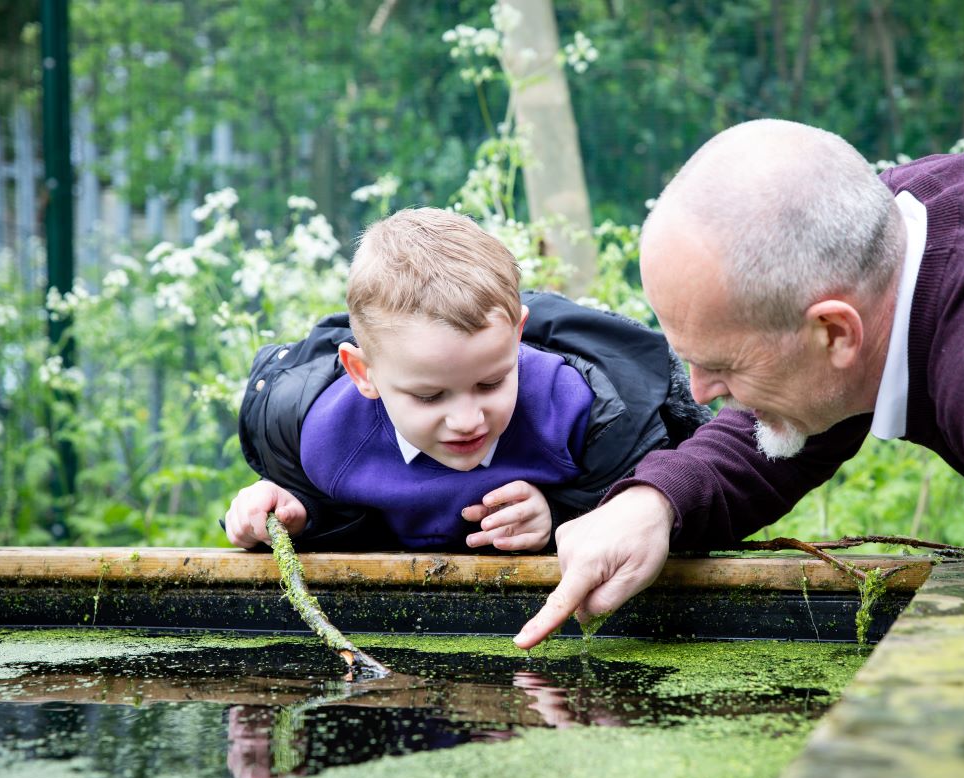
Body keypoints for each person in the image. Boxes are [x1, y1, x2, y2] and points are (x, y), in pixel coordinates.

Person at [512, 120, 964, 778]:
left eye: (719, 365)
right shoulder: (889, 236)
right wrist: (653, 503)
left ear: (834, 330)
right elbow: (791, 424)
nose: (700, 391)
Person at [223, 207, 708, 553]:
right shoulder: (320, 438)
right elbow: (337, 515)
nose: (467, 419)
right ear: (362, 374)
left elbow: (665, 504)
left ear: (517, 338)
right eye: (430, 395)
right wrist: (290, 513)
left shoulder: (579, 413)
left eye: (491, 383)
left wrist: (559, 516)